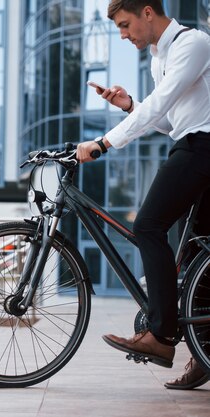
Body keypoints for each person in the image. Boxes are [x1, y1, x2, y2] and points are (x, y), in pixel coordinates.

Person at [76, 0, 210, 389]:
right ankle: (205, 353)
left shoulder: (192, 44)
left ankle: (162, 336)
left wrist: (104, 142)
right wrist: (128, 105)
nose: (123, 35)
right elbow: (170, 120)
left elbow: (161, 105)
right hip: (189, 141)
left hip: (202, 147)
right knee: (200, 253)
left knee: (148, 226)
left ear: (147, 12)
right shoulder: (159, 56)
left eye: (124, 25)